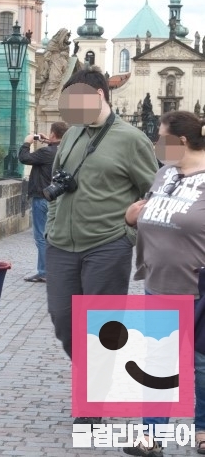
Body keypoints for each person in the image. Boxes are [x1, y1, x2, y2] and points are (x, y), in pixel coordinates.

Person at [45, 67, 158, 425]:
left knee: (101, 324)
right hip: (62, 244)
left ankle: (92, 401)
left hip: (107, 244)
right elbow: (56, 186)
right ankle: (95, 372)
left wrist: (128, 232)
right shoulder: (71, 135)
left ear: (98, 96)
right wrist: (51, 226)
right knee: (64, 321)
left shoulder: (132, 138)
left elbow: (152, 192)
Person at [123, 111, 205, 456]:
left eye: (161, 136)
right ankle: (151, 436)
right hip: (158, 282)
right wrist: (132, 217)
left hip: (198, 285)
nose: (157, 143)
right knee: (157, 362)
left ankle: (201, 430)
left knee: (200, 362)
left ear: (181, 141)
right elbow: (147, 215)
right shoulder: (164, 173)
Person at [18, 121, 68, 283]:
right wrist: (52, 143)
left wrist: (27, 142)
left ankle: (44, 271)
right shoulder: (66, 150)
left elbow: (24, 158)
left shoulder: (46, 153)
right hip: (59, 198)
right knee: (56, 236)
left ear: (53, 134)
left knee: (41, 236)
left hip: (41, 197)